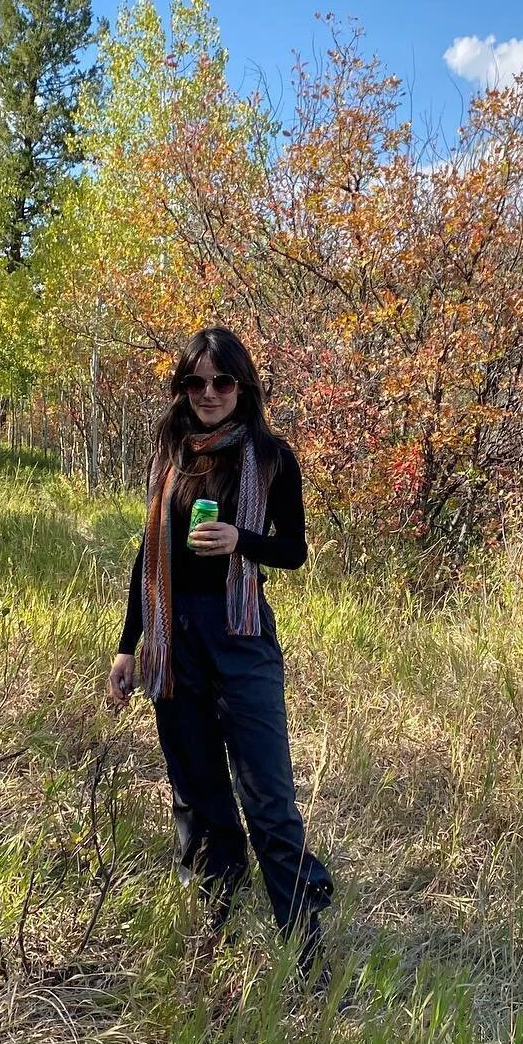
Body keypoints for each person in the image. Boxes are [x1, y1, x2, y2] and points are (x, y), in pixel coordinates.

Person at [106, 326, 334, 978]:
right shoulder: (170, 450)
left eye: (222, 381)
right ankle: (215, 910)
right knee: (198, 788)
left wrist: (242, 539)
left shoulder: (270, 455)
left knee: (267, 793)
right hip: (174, 637)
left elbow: (293, 550)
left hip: (240, 636)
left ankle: (306, 948)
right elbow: (149, 552)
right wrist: (129, 645)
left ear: (243, 385)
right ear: (181, 388)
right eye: (195, 382)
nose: (209, 394)